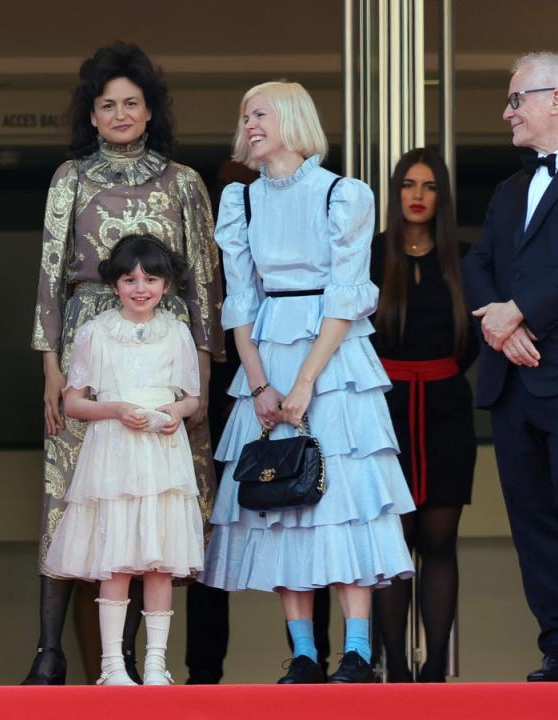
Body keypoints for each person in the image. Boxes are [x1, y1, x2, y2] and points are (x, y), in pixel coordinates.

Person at [200, 81, 414, 685]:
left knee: (343, 501)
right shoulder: (239, 201)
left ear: (291, 120)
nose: (250, 124)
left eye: (259, 113)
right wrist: (262, 385)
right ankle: (301, 653)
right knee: (278, 500)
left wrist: (304, 384)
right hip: (266, 350)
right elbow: (239, 302)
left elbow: (347, 298)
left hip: (333, 354)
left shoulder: (342, 195)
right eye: (245, 115)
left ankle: (356, 651)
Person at [27, 41, 224, 685]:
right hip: (88, 339)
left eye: (130, 104)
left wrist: (199, 372)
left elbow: (202, 286)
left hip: (165, 355)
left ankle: (139, 661)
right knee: (70, 497)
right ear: (92, 114)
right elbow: (50, 277)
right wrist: (52, 369)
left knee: (151, 499)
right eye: (106, 104)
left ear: (149, 112)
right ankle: (49, 653)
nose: (118, 114)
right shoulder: (71, 178)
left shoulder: (184, 183)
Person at [464, 51, 558, 682]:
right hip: (512, 371)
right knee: (528, 508)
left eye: (516, 99)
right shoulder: (507, 189)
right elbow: (477, 264)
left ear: (556, 99)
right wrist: (499, 326)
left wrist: (520, 313)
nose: (507, 113)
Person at [43, 234, 203, 686]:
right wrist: (114, 410)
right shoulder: (95, 333)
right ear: (114, 284)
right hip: (113, 450)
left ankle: (155, 664)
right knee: (116, 560)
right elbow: (73, 402)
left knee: (159, 561)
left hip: (160, 452)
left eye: (150, 279)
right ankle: (112, 665)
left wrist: (174, 412)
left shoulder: (176, 331)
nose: (140, 287)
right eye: (130, 278)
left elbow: (191, 398)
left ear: (167, 285)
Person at [370, 148, 477, 682]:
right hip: (383, 410)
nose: (417, 195)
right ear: (396, 195)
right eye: (409, 185)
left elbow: (476, 339)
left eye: (430, 186)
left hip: (445, 410)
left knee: (438, 540)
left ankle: (434, 671)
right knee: (394, 544)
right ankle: (396, 671)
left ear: (442, 197)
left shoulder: (464, 258)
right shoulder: (370, 257)